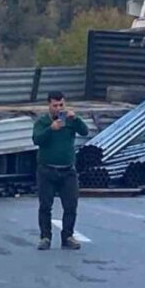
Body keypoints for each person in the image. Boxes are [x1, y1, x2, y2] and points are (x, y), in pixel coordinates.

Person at [32, 91, 89, 251]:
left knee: (71, 205)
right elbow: (37, 139)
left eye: (61, 105)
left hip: (68, 171)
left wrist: (75, 118)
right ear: (49, 105)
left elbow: (84, 131)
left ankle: (68, 236)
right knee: (45, 205)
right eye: (55, 105)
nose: (58, 108)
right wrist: (51, 129)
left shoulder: (70, 121)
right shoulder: (43, 122)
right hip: (47, 170)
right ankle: (45, 237)